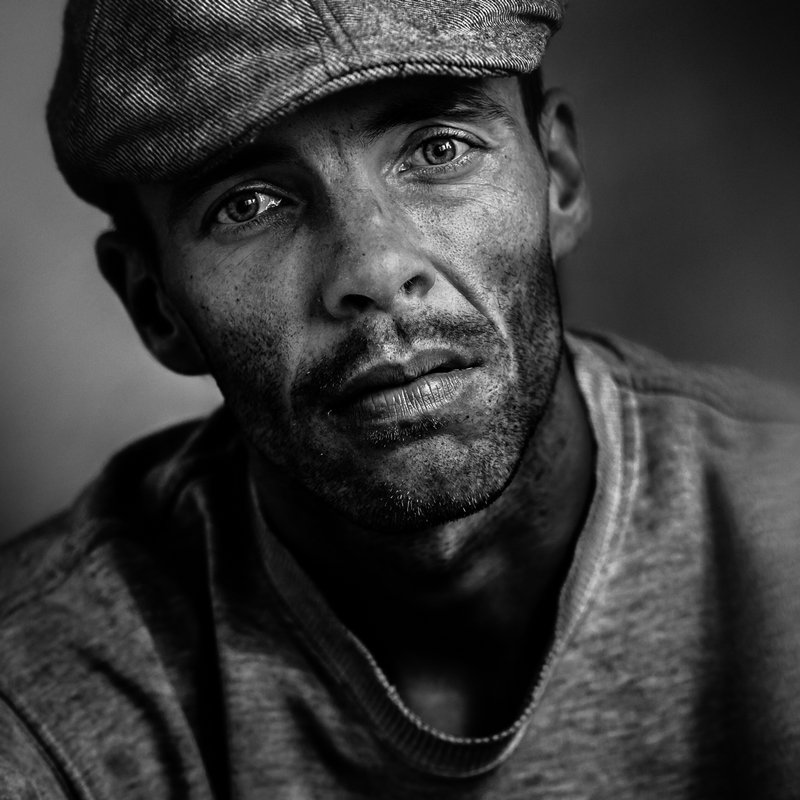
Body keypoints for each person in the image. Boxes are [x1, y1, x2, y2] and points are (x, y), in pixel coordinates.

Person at [2, 0, 800, 797]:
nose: (375, 270)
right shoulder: (40, 698)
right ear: (155, 305)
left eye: (438, 149)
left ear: (557, 177)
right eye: (248, 205)